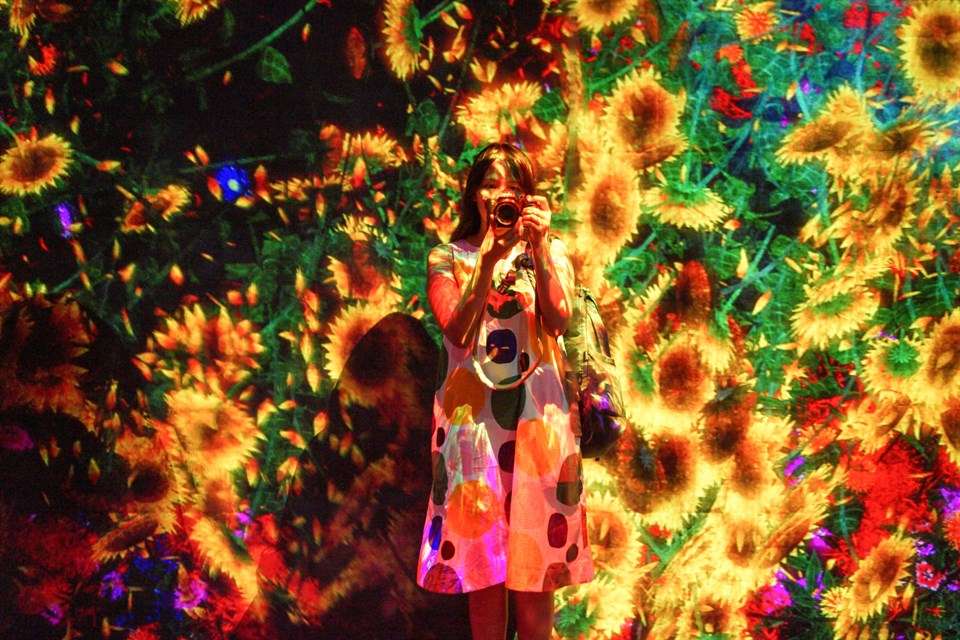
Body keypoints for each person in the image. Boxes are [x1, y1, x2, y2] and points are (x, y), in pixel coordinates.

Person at [416, 142, 594, 640]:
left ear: (528, 198)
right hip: (473, 429)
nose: (500, 196)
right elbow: (457, 330)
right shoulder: (448, 257)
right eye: (491, 185)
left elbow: (559, 320)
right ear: (474, 194)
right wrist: (489, 258)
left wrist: (539, 246)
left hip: (539, 424)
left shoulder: (550, 252)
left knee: (536, 576)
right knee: (484, 574)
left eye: (513, 188)